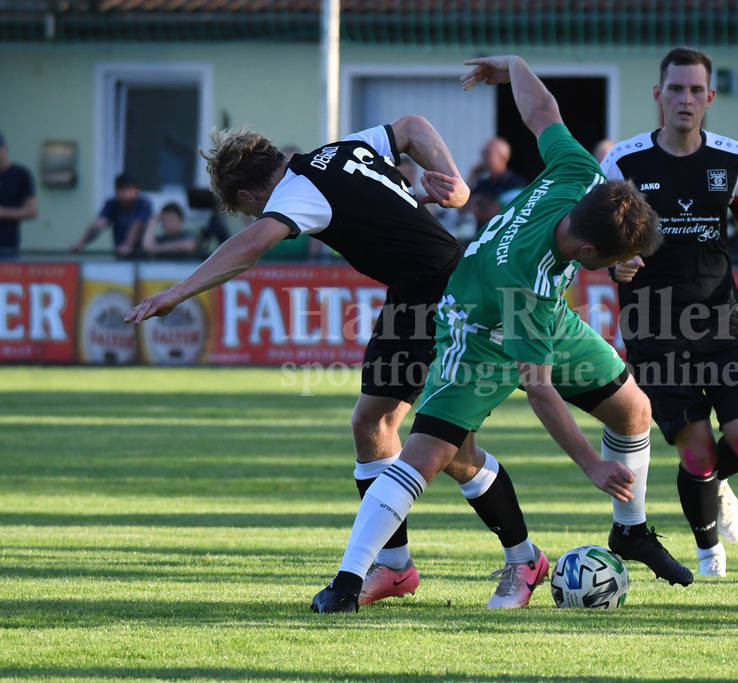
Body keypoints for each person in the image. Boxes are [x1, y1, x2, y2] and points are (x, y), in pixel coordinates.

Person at [311, 55, 694, 615]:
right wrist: (590, 464)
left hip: (545, 322)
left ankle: (629, 533)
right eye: (615, 259)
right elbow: (539, 390)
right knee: (426, 455)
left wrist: (514, 65)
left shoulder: (579, 177)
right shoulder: (529, 283)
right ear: (588, 252)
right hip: (475, 329)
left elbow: (544, 111)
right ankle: (347, 582)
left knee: (634, 411)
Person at [123, 115, 538, 609]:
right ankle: (395, 567)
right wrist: (456, 184)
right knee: (373, 422)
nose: (258, 217)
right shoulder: (344, 150)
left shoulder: (295, 192)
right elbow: (410, 128)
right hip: (415, 292)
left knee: (449, 442)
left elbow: (250, 248)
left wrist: (177, 292)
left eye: (248, 210)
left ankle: (524, 558)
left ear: (251, 198)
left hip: (451, 292)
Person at [600, 46, 738, 578]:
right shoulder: (623, 162)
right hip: (653, 329)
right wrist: (617, 264)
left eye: (695, 90)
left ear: (710, 96)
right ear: (658, 94)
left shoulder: (733, 160)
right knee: (699, 454)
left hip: (721, 323)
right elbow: (595, 237)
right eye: (675, 89)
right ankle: (710, 557)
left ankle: (717, 483)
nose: (685, 99)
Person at [70, 173, 152, 258]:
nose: (126, 194)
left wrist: (128, 245)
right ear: (116, 191)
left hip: (144, 257)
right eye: (122, 190)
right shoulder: (112, 204)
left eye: (129, 190)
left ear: (136, 190)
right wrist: (80, 243)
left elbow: (138, 224)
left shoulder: (144, 204)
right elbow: (99, 224)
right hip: (121, 256)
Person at [461, 136, 527, 231]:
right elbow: (461, 210)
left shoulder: (516, 184)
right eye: (483, 152)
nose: (483, 156)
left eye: (488, 153)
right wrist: (472, 177)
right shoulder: (482, 183)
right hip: (482, 239)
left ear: (502, 158)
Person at [0, 131, 39, 260]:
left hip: (7, 246)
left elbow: (32, 211)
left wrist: (4, 213)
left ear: (5, 148)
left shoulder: (20, 174)